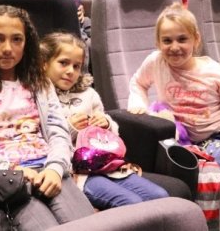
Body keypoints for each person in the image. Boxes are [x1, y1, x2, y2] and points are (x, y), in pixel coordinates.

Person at [0, 5, 94, 230]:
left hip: (47, 168)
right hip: (2, 178)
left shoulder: (40, 83)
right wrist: (11, 170)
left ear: (27, 43)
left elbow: (58, 132)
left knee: (91, 224)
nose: (8, 48)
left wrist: (55, 168)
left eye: (17, 39)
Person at [128, 4, 220, 174]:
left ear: (196, 39)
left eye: (182, 39)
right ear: (158, 43)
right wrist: (138, 104)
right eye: (167, 41)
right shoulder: (156, 62)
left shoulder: (216, 73)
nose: (174, 47)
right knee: (217, 166)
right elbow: (138, 83)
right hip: (192, 141)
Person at [42, 32, 168, 208]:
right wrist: (70, 127)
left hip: (106, 164)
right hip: (77, 171)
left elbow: (112, 133)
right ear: (44, 63)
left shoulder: (88, 94)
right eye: (63, 63)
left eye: (77, 66)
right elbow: (40, 139)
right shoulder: (40, 97)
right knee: (131, 203)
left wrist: (105, 123)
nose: (71, 71)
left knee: (160, 196)